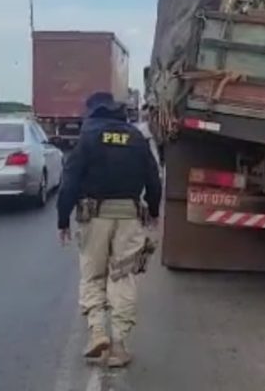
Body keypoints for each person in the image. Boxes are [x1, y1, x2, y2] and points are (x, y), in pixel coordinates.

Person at [57, 91, 162, 367]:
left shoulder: (88, 138)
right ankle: (118, 346)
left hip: (93, 218)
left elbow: (69, 181)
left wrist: (62, 220)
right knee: (123, 277)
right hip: (129, 217)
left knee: (93, 275)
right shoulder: (137, 138)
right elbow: (154, 178)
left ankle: (97, 333)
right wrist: (153, 211)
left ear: (91, 112)